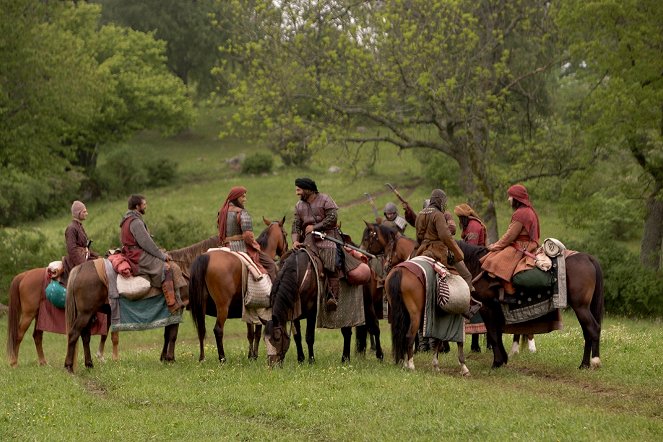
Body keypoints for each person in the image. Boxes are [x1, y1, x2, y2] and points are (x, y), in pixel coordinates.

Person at [292, 177, 361, 311]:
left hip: (328, 238)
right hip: (308, 241)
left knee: (331, 263)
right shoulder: (299, 206)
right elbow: (296, 225)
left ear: (307, 189)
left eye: (299, 190)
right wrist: (295, 240)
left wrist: (315, 227)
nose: (297, 193)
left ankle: (332, 297)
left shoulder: (325, 199)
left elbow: (332, 218)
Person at [120, 195, 182, 313]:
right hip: (137, 256)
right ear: (137, 206)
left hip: (133, 253)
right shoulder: (135, 222)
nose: (145, 206)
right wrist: (162, 256)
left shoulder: (126, 219)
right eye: (144, 204)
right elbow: (146, 244)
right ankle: (172, 304)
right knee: (166, 268)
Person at [480, 184, 540, 303]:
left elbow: (509, 236)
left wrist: (495, 246)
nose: (508, 199)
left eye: (510, 197)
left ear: (516, 198)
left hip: (522, 246)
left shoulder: (521, 213)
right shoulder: (530, 210)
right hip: (527, 244)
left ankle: (510, 293)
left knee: (494, 261)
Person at [217, 186, 276, 282]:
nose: (245, 199)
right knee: (271, 264)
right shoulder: (242, 213)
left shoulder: (221, 213)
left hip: (225, 246)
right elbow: (247, 236)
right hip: (240, 247)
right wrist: (255, 245)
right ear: (236, 198)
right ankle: (272, 291)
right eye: (242, 197)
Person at [63, 200, 100, 279]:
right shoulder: (71, 228)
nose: (87, 214)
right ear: (78, 213)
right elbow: (72, 250)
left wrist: (96, 256)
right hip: (76, 261)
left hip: (84, 257)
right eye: (84, 212)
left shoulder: (79, 226)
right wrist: (83, 265)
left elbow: (85, 247)